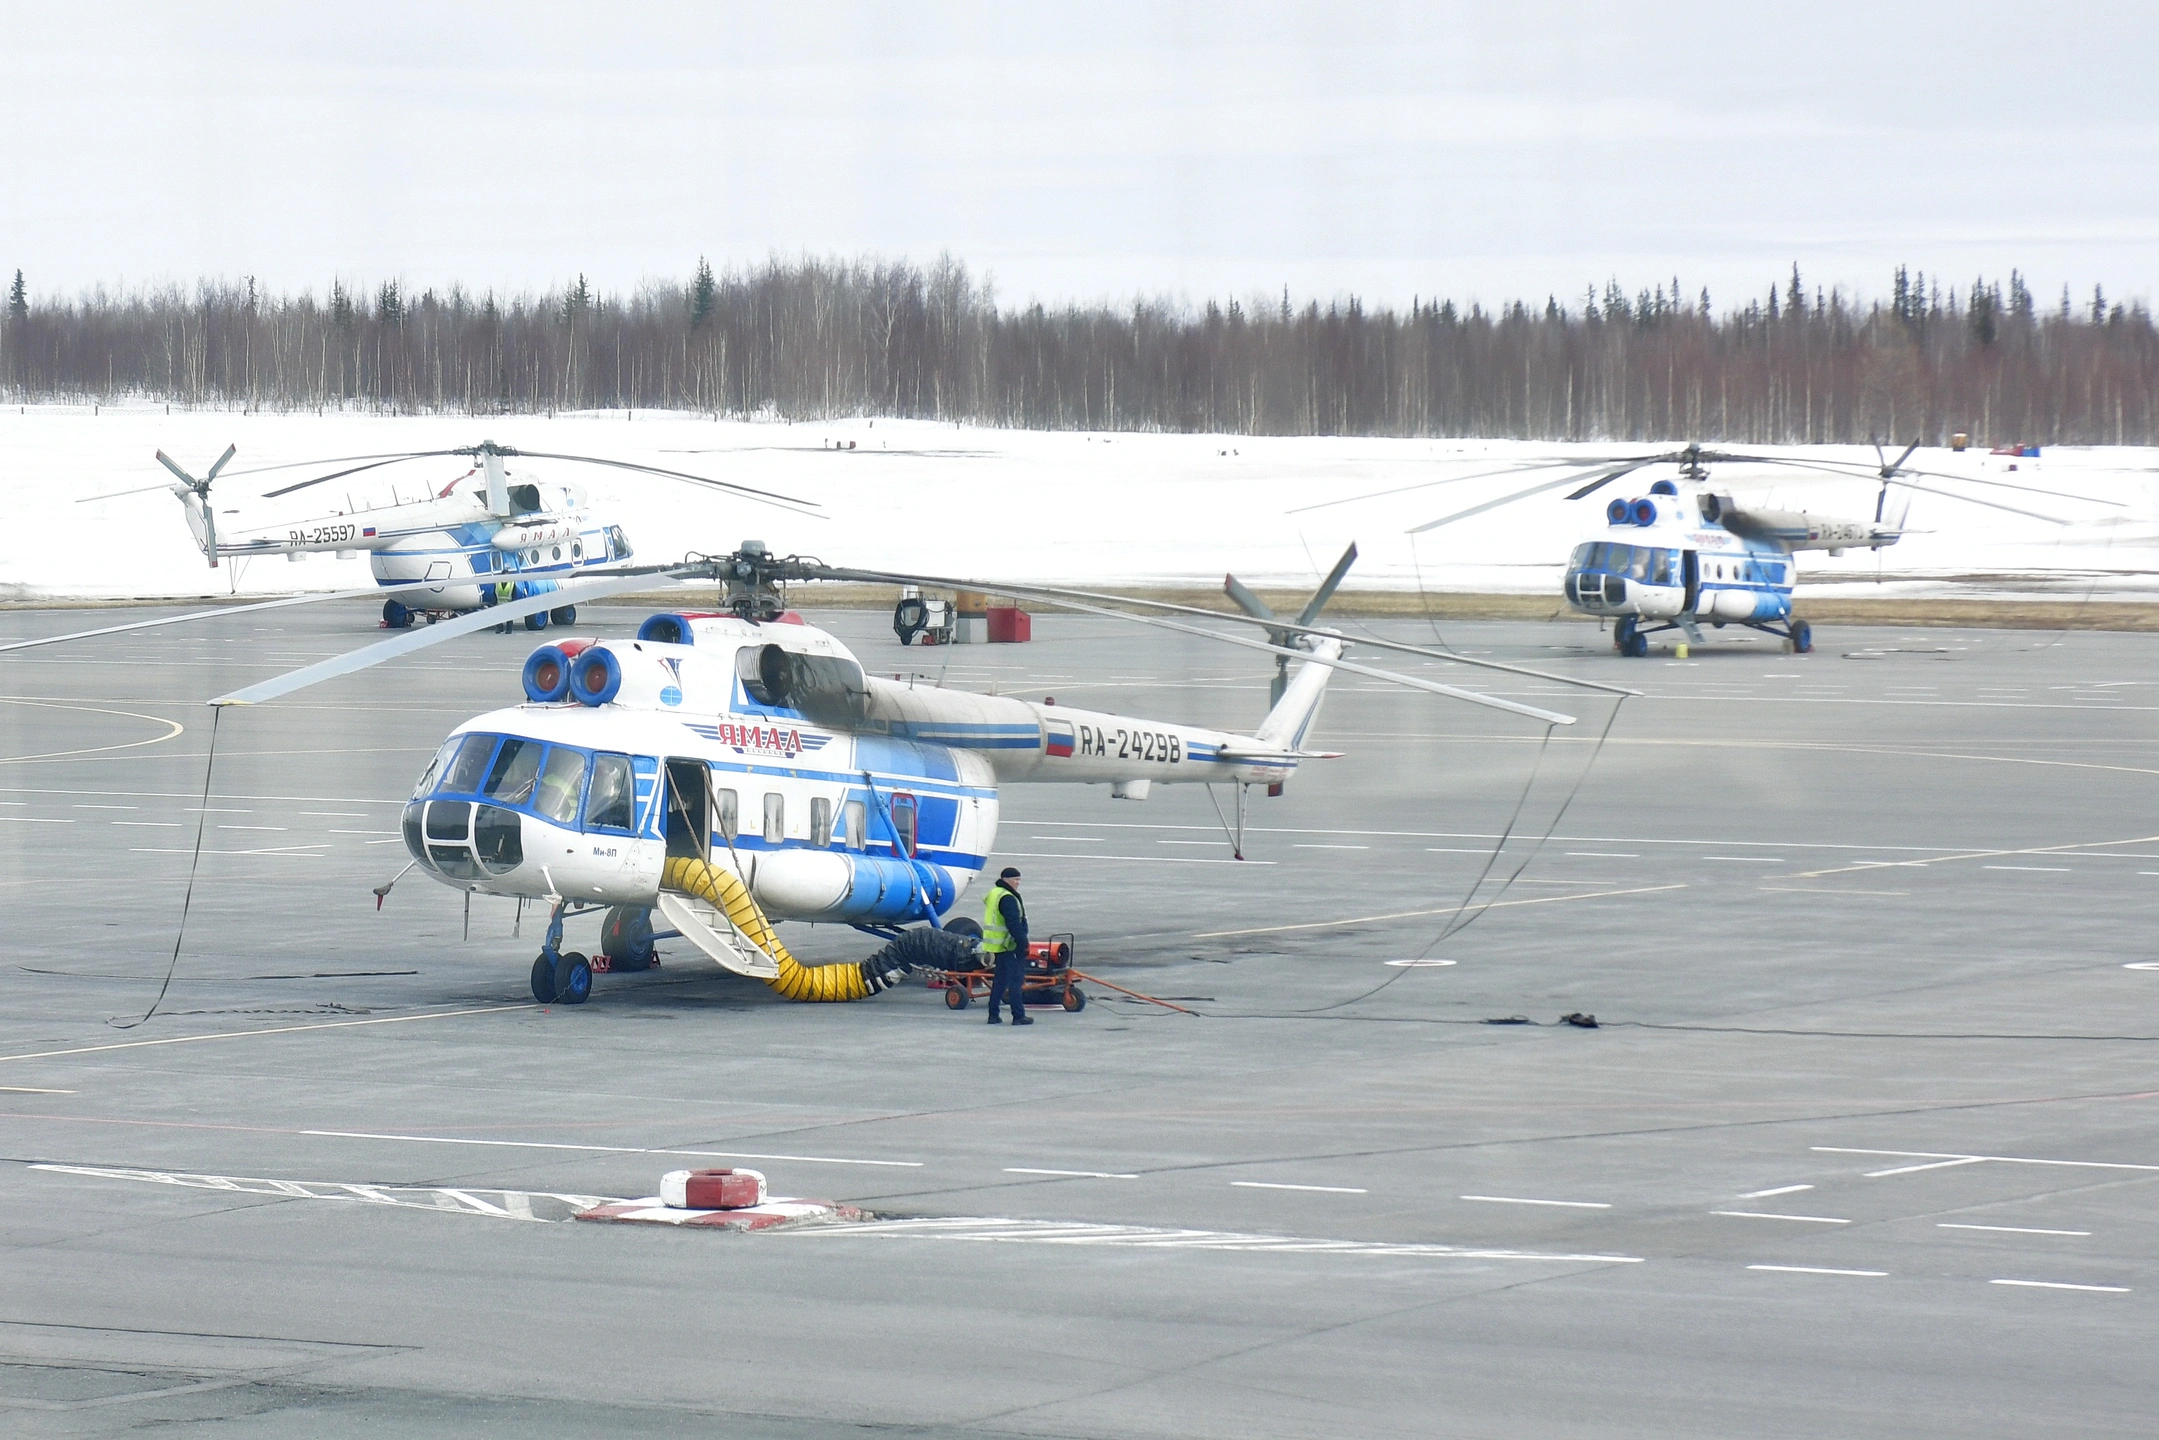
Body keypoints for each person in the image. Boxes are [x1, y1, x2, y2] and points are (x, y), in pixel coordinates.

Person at [980, 866, 1031, 1025]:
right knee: (1015, 982)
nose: (1018, 883)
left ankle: (993, 1014)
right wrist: (1023, 943)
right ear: (1006, 880)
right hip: (1010, 945)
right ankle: (1018, 1016)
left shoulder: (995, 893)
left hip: (998, 946)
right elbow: (1013, 924)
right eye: (1016, 880)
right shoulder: (1008, 897)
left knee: (1000, 981)